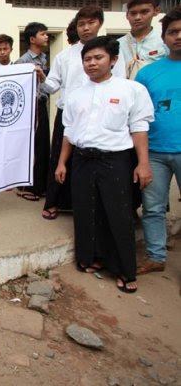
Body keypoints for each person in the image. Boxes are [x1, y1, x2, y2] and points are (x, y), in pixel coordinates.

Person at [54, 36, 153, 294]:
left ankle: (123, 269)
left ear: (113, 60)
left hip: (115, 159)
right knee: (86, 211)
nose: (92, 64)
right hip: (82, 160)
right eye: (87, 59)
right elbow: (68, 132)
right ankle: (91, 257)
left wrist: (143, 164)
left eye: (98, 58)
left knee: (118, 214)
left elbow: (139, 129)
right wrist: (62, 163)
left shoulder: (131, 90)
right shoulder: (75, 95)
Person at [40, 6, 125, 220]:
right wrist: (41, 79)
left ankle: (87, 204)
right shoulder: (64, 56)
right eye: (81, 24)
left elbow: (120, 84)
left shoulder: (112, 53)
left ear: (100, 24)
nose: (86, 28)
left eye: (91, 23)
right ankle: (54, 202)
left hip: (99, 114)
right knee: (59, 159)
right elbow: (52, 85)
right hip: (67, 115)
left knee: (90, 162)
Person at [134, 6, 181, 275]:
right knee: (152, 209)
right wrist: (141, 160)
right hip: (154, 152)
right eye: (173, 32)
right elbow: (138, 118)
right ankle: (155, 256)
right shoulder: (148, 74)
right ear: (164, 38)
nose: (178, 36)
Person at [14, 22, 50, 201]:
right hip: (30, 108)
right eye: (42, 34)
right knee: (32, 147)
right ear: (32, 39)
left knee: (43, 145)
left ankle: (40, 185)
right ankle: (26, 186)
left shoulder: (43, 58)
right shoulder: (22, 62)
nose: (46, 37)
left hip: (42, 104)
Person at [118, 0, 168, 80]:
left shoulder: (164, 41)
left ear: (156, 11)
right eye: (133, 13)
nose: (137, 17)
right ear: (127, 15)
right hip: (128, 93)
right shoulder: (118, 45)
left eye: (144, 12)